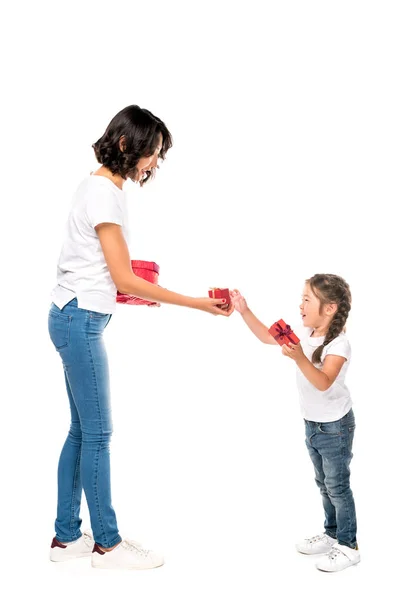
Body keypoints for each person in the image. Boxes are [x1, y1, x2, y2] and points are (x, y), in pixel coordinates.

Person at [48, 104, 234, 570]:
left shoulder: (96, 185)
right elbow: (123, 279)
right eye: (152, 153)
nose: (154, 164)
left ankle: (66, 536)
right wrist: (195, 302)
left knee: (81, 430)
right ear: (127, 144)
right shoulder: (106, 194)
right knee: (99, 434)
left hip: (72, 313)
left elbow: (107, 270)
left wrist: (122, 281)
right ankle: (107, 545)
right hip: (81, 320)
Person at [230, 274, 360, 572]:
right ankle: (331, 534)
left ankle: (349, 545)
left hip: (335, 427)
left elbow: (324, 382)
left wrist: (300, 357)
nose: (300, 304)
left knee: (337, 487)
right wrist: (244, 310)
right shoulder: (304, 335)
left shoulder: (339, 345)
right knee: (323, 484)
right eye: (301, 297)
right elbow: (266, 335)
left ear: (329, 308)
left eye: (307, 299)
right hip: (313, 424)